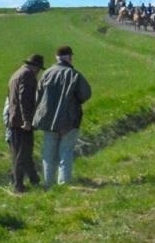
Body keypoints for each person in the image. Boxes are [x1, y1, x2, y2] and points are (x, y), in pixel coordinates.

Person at [33, 46, 92, 186]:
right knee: (65, 152)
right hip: (69, 121)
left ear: (56, 58)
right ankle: (64, 183)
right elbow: (86, 94)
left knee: (48, 153)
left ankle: (48, 183)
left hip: (47, 121)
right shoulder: (74, 74)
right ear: (70, 57)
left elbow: (38, 97)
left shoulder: (46, 73)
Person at [6, 53, 44, 192]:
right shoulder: (27, 75)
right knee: (22, 154)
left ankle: (34, 180)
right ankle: (18, 186)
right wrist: (27, 120)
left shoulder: (15, 74)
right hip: (22, 122)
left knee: (20, 153)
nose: (38, 72)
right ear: (36, 67)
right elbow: (25, 99)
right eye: (39, 69)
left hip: (14, 119)